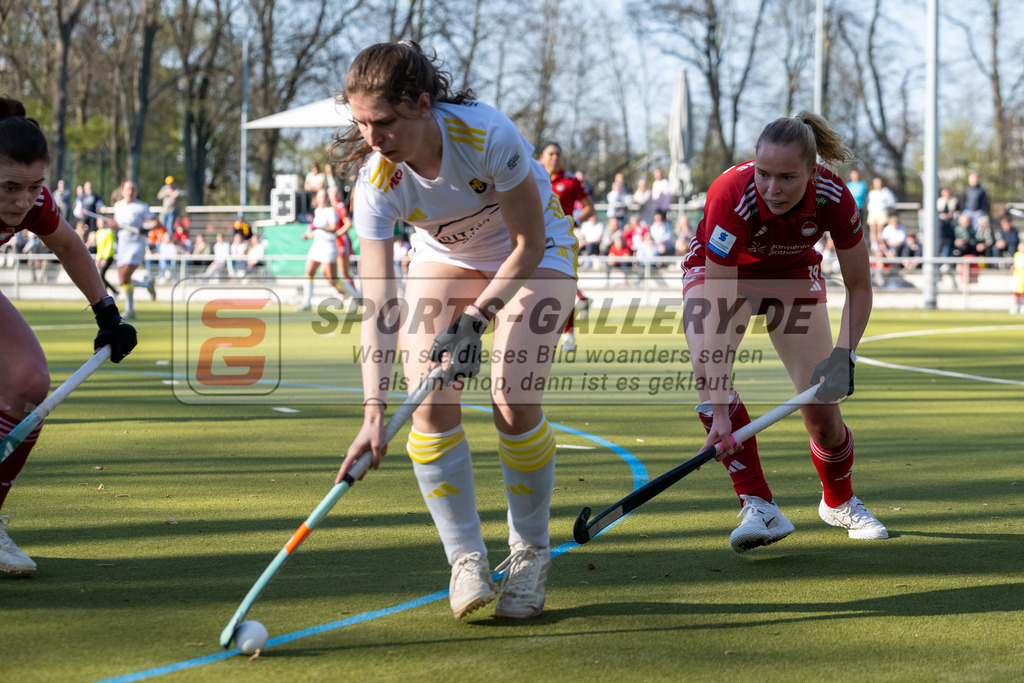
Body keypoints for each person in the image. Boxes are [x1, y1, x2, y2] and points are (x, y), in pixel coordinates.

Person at [332, 41, 578, 621]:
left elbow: (528, 244)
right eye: (361, 123)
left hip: (536, 253)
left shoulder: (487, 135)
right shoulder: (375, 182)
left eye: (384, 122)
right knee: (429, 406)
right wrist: (372, 410)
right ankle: (465, 558)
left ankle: (530, 552)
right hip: (446, 255)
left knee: (512, 399)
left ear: (422, 104)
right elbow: (378, 302)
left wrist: (476, 318)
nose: (371, 138)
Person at [680, 111, 888, 555]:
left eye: (788, 177)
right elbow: (717, 308)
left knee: (824, 416)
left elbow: (860, 285)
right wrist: (719, 411)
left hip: (792, 277)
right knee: (706, 365)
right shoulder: (730, 194)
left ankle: (840, 501)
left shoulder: (834, 197)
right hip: (726, 275)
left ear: (813, 173)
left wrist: (843, 355)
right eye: (764, 174)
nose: (772, 189)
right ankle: (760, 506)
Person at [0, 95, 137, 576]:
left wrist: (107, 312)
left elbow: (67, 244)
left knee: (31, 383)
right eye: (9, 188)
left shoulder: (33, 200)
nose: (22, 201)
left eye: (33, 185)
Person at [538, 142, 593, 351]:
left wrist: (575, 222)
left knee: (564, 285)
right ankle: (582, 298)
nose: (555, 157)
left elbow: (590, 208)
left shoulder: (570, 182)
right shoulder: (531, 177)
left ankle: (568, 334)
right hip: (534, 239)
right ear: (541, 157)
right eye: (550, 154)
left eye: (558, 154)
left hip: (562, 242)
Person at [296, 188, 349, 311]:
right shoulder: (317, 211)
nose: (323, 198)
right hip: (317, 245)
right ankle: (307, 302)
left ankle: (351, 295)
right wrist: (309, 235)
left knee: (332, 278)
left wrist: (319, 227)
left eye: (325, 196)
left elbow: (333, 228)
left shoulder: (331, 211)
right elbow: (317, 230)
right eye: (320, 196)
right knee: (309, 272)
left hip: (328, 246)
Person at [110, 180, 156, 318]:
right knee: (123, 281)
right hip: (122, 244)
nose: (131, 192)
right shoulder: (118, 206)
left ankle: (130, 308)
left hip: (136, 244)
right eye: (128, 189)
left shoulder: (142, 207)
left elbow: (156, 222)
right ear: (122, 190)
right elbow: (116, 224)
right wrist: (113, 225)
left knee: (125, 276)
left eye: (133, 189)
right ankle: (133, 305)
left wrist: (145, 228)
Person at [865, 176, 896, 253]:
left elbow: (892, 201)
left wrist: (885, 206)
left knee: (880, 229)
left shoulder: (886, 191)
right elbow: (867, 202)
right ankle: (874, 245)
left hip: (882, 212)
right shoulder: (871, 192)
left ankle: (880, 244)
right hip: (872, 212)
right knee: (872, 229)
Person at [93, 217, 118, 294]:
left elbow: (109, 246)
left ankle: (108, 292)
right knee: (101, 276)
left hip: (108, 257)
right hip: (101, 257)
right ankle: (111, 292)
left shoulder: (109, 232)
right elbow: (99, 248)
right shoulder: (98, 233)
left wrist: (105, 258)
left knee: (101, 276)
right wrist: (97, 258)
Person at [936, 187, 959, 257]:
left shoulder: (954, 201)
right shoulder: (939, 201)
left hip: (951, 223)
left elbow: (957, 211)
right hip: (942, 224)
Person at [1010, 238, 1024, 314]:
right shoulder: (1016, 255)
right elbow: (1015, 264)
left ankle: (1023, 306)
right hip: (1017, 275)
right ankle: (1016, 305)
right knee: (1015, 291)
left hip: (1023, 276)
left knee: (1023, 291)